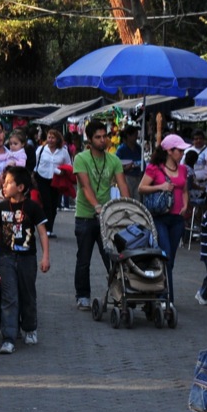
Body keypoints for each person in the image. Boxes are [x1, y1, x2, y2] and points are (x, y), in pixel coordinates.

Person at [72, 120, 129, 310]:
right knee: (84, 260)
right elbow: (85, 186)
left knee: (112, 258)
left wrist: (128, 207)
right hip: (85, 216)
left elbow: (123, 185)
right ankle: (82, 296)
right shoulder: (81, 158)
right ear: (89, 139)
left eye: (105, 136)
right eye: (98, 137)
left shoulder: (114, 160)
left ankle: (119, 294)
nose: (103, 140)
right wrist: (97, 206)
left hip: (108, 219)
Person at [0, 166, 48, 355]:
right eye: (4, 182)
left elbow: (42, 233)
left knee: (27, 293)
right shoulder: (1, 208)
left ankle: (30, 327)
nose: (4, 186)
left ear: (21, 187)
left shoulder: (33, 208)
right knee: (9, 296)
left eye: (8, 183)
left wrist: (45, 256)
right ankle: (8, 337)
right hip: (6, 258)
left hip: (27, 258)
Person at [140, 134, 190, 290]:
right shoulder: (154, 168)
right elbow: (141, 188)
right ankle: (166, 296)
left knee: (171, 259)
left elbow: (184, 190)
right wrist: (160, 187)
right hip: (160, 217)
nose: (182, 154)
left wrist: (185, 205)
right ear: (169, 151)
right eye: (179, 151)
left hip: (177, 219)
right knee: (165, 255)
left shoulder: (183, 169)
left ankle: (161, 289)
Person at [32, 129, 72, 238]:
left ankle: (50, 228)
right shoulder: (41, 149)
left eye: (53, 137)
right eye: (49, 137)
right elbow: (35, 162)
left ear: (57, 139)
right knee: (46, 204)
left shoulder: (63, 151)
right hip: (42, 178)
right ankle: (45, 228)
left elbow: (69, 165)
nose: (50, 140)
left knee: (54, 205)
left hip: (56, 180)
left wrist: (63, 171)